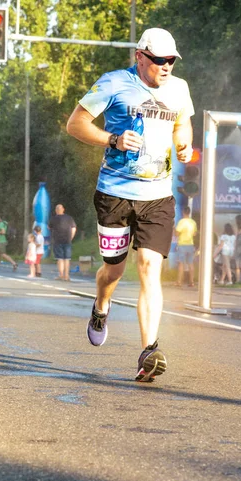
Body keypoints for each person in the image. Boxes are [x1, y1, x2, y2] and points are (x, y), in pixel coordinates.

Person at [66, 27, 194, 382]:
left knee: (150, 267)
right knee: (114, 271)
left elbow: (183, 126)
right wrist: (113, 139)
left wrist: (183, 145)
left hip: (158, 195)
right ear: (140, 56)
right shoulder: (112, 83)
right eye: (158, 60)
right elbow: (75, 124)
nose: (166, 66)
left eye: (171, 60)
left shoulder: (179, 89)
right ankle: (101, 305)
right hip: (115, 193)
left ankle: (149, 351)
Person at [48, 204, 77, 281]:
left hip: (57, 241)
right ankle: (66, 276)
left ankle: (61, 275)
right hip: (67, 240)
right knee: (67, 259)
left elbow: (49, 228)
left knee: (60, 258)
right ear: (63, 209)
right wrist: (71, 237)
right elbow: (74, 228)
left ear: (56, 210)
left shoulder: (53, 219)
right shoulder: (69, 218)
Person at [175, 206, 197, 287]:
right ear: (189, 212)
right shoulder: (193, 222)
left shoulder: (181, 222)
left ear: (183, 212)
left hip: (182, 244)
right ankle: (191, 282)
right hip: (190, 244)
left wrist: (174, 229)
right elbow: (194, 234)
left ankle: (179, 281)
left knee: (181, 264)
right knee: (191, 263)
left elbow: (177, 234)